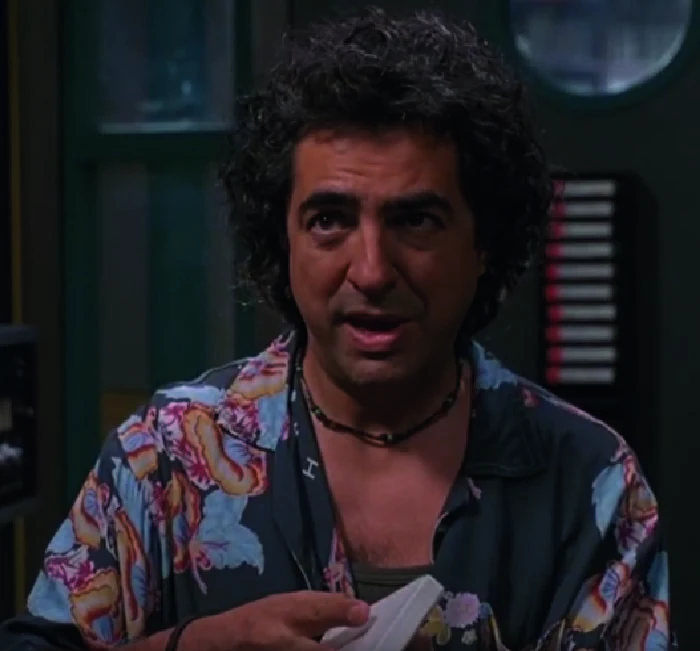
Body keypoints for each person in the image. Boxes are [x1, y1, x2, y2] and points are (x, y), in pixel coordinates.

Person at [0, 7, 672, 651]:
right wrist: (198, 644)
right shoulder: (167, 457)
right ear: (283, 242)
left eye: (416, 220)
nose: (372, 270)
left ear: (483, 244)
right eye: (329, 221)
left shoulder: (590, 483)